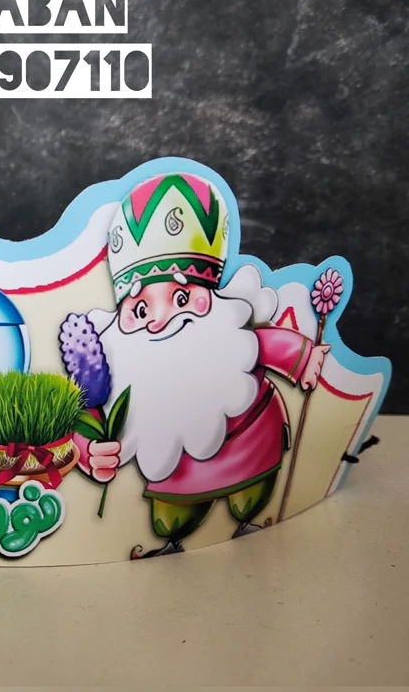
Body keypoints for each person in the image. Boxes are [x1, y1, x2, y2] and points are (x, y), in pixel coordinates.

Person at [73, 172, 329, 557]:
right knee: (172, 518)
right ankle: (174, 539)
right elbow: (88, 410)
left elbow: (265, 345)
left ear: (206, 296)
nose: (157, 322)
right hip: (175, 475)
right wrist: (89, 450)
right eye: (141, 310)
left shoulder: (233, 339)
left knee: (250, 499)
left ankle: (246, 520)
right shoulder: (111, 365)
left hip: (250, 447)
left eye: (179, 300)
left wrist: (304, 359)